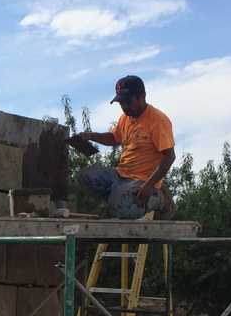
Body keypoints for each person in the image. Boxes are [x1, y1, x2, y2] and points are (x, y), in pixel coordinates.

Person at [72, 75, 176, 219]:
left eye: (128, 101)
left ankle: (160, 199)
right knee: (86, 176)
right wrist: (91, 136)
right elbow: (114, 138)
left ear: (142, 96)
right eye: (121, 102)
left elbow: (169, 156)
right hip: (120, 176)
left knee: (119, 205)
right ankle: (119, 201)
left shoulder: (158, 120)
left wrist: (149, 185)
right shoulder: (125, 118)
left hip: (143, 180)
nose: (124, 106)